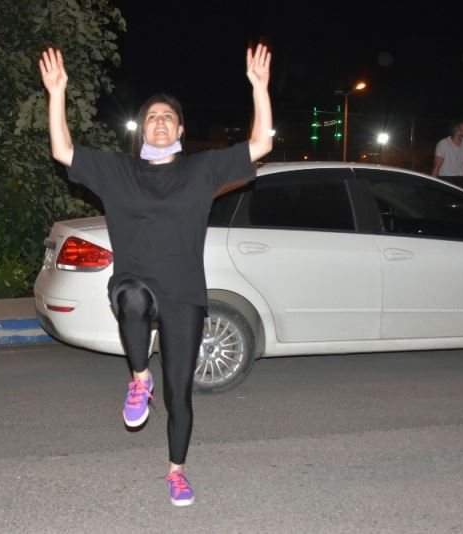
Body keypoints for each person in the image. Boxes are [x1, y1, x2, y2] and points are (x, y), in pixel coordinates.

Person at [39, 42, 272, 506]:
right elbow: (63, 150)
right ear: (141, 129)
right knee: (131, 298)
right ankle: (139, 377)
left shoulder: (202, 170)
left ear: (180, 129)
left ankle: (176, 472)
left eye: (168, 117)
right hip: (136, 284)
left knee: (179, 395)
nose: (160, 122)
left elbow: (261, 144)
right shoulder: (117, 172)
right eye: (151, 117)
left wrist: (259, 88)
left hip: (185, 294)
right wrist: (57, 92)